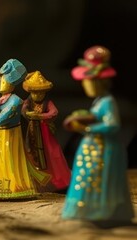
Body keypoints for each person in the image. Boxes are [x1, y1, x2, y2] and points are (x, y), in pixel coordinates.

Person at [61, 46, 134, 222]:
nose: (85, 84)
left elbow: (112, 125)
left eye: (87, 81)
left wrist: (86, 129)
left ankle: (102, 211)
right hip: (95, 149)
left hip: (104, 150)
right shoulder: (100, 101)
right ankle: (90, 210)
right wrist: (85, 118)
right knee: (89, 178)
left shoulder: (108, 101)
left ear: (96, 81)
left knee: (99, 179)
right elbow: (97, 116)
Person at [0, 59, 47, 200]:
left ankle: (13, 188)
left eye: (2, 79)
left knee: (8, 161)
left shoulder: (15, 100)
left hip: (9, 137)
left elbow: (0, 120)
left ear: (11, 81)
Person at [21, 71, 71, 192]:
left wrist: (40, 116)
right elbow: (23, 110)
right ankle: (37, 182)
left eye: (40, 93)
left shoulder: (47, 103)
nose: (38, 95)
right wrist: (28, 113)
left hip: (46, 133)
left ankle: (57, 181)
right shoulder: (28, 102)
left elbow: (54, 112)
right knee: (33, 154)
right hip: (33, 132)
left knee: (52, 155)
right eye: (35, 93)